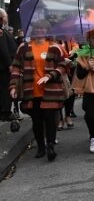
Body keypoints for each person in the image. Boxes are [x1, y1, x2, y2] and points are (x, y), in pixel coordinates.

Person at [9, 20, 67, 161]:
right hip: (31, 90)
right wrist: (13, 87)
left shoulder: (54, 47)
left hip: (50, 90)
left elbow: (63, 65)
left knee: (49, 118)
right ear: (33, 30)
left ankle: (50, 145)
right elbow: (16, 68)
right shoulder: (24, 47)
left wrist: (50, 75)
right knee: (36, 121)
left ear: (47, 31)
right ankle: (41, 146)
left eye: (43, 28)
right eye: (37, 28)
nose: (40, 31)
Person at [0, 8, 18, 121]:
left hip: (5, 65)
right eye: (5, 16)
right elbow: (3, 49)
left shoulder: (3, 30)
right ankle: (5, 111)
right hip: (4, 67)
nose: (6, 18)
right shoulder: (1, 32)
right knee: (5, 90)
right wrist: (10, 64)